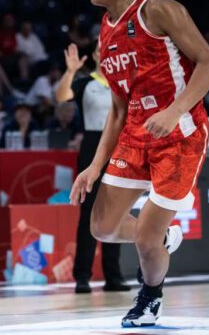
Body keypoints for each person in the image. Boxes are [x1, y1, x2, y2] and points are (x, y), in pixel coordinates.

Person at [71, 0, 209, 327]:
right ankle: (161, 237)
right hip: (135, 135)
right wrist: (94, 167)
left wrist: (174, 111)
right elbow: (118, 110)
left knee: (146, 239)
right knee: (102, 227)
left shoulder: (158, 8)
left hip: (179, 134)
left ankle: (150, 298)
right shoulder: (106, 31)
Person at [56, 42, 130, 294]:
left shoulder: (124, 82)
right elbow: (61, 97)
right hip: (92, 145)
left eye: (109, 47)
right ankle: (82, 276)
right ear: (96, 55)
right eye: (99, 49)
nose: (104, 51)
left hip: (120, 147)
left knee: (116, 211)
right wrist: (70, 72)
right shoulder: (86, 82)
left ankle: (114, 276)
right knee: (88, 212)